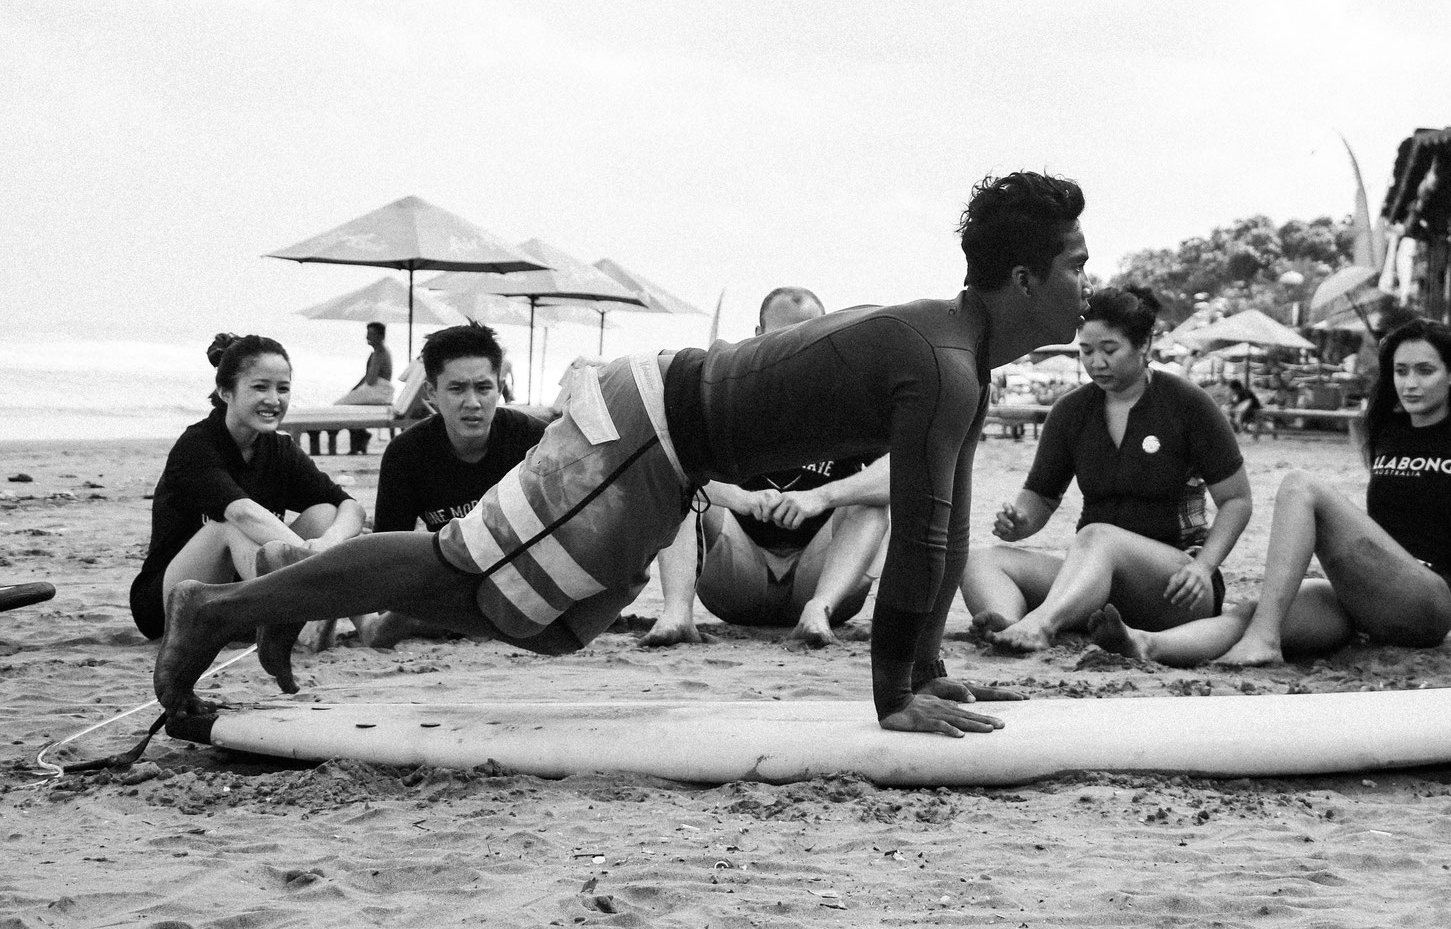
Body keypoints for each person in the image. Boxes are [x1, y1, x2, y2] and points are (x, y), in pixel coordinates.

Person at [154, 171, 1091, 740]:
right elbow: (923, 537)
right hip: (649, 421)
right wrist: (893, 698)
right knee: (469, 564)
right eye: (1076, 266)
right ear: (1022, 279)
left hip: (667, 445)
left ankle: (291, 598)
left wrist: (925, 674)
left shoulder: (961, 359)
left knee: (550, 621)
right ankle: (220, 610)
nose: (1089, 286)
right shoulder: (943, 363)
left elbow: (945, 519)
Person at [1089, 318, 1451, 668]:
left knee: (1300, 487)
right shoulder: (1388, 432)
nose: (1410, 383)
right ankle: (1145, 644)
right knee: (1256, 609)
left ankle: (1265, 642)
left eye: (1425, 371)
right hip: (1365, 600)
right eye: (1400, 371)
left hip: (1426, 599)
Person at [960, 286, 1253, 654]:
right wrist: (1021, 522)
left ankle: (1042, 624)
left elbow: (1237, 500)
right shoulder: (1070, 412)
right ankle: (1008, 625)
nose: (1096, 362)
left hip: (1178, 584)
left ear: (1143, 344)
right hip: (1093, 584)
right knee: (980, 558)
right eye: (1086, 351)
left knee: (1100, 536)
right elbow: (1041, 496)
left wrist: (1204, 567)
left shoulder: (1188, 404)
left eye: (1109, 350)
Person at [642, 286, 890, 649]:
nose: (796, 348)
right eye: (783, 337)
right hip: (738, 572)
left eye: (809, 335)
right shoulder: (725, 392)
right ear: (758, 336)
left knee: (871, 504)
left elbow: (910, 470)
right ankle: (676, 613)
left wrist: (822, 497)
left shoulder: (850, 398)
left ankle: (817, 613)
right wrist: (741, 499)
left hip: (820, 577)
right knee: (681, 493)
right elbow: (669, 467)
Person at [129, 335, 366, 641]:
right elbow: (242, 514)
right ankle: (309, 607)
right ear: (226, 392)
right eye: (260, 387)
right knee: (226, 528)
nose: (273, 399)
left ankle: (367, 625)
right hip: (170, 604)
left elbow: (351, 508)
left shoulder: (280, 449)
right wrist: (313, 561)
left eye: (283, 388)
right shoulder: (197, 445)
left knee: (325, 514)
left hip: (241, 594)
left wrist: (327, 543)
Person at [360, 323, 550, 648]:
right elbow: (390, 550)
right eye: (457, 388)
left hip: (519, 577)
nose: (472, 402)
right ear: (431, 393)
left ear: (500, 387)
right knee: (381, 615)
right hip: (448, 577)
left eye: (483, 388)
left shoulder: (534, 441)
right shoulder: (405, 454)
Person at [336, 322, 396, 455]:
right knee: (347, 400)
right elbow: (366, 378)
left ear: (381, 336)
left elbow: (371, 380)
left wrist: (371, 365)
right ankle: (361, 435)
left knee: (340, 406)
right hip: (376, 389)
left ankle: (360, 437)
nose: (367, 337)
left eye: (371, 334)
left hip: (379, 391)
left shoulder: (380, 352)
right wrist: (354, 389)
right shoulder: (376, 353)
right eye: (367, 334)